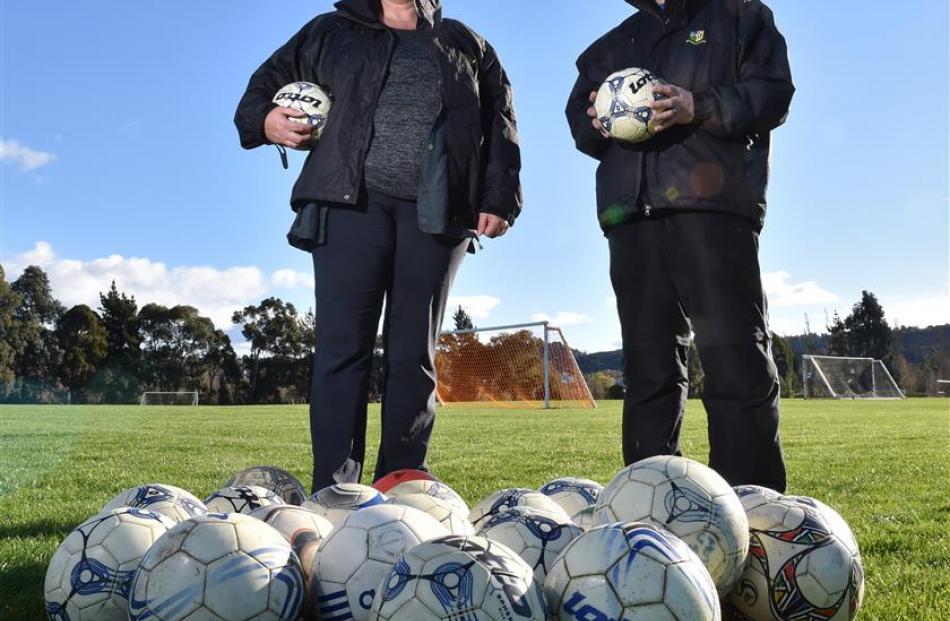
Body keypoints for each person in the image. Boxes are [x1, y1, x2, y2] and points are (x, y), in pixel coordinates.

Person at [235, 0, 521, 493]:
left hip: (437, 213)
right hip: (349, 207)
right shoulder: (328, 31)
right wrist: (267, 122)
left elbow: (501, 123)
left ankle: (401, 482)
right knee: (341, 352)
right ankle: (334, 489)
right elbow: (259, 92)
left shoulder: (464, 44)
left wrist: (500, 199)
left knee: (413, 353)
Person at [566, 0, 794, 492]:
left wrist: (699, 106)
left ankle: (754, 508)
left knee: (734, 357)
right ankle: (652, 502)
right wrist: (597, 119)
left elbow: (773, 95)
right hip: (630, 215)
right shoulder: (616, 41)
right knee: (647, 368)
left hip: (711, 209)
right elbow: (579, 121)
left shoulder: (742, 18)